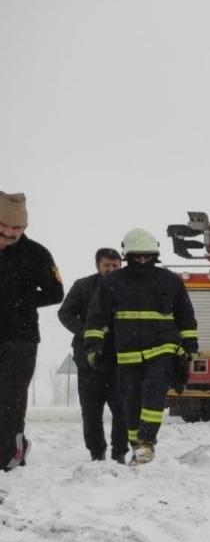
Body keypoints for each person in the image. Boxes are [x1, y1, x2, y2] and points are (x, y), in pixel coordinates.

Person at [84, 228, 197, 466]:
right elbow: (97, 316)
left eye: (147, 256)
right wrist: (93, 346)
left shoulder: (170, 280)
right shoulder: (113, 282)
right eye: (138, 256)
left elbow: (185, 316)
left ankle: (147, 441)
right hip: (128, 353)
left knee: (154, 392)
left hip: (163, 348)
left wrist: (189, 348)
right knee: (131, 401)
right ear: (128, 255)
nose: (143, 260)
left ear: (154, 255)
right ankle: (137, 446)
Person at [0, 191, 64, 472]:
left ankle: (10, 454)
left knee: (11, 399)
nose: (9, 233)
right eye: (4, 227)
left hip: (21, 338)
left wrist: (19, 300)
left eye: (16, 228)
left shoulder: (37, 254)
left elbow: (56, 292)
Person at [58, 248, 129, 462]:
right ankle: (96, 453)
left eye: (115, 265)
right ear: (97, 265)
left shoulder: (129, 287)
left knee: (123, 409)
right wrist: (86, 332)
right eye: (106, 265)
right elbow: (65, 313)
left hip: (120, 358)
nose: (111, 269)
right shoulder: (83, 286)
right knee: (91, 410)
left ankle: (120, 452)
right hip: (88, 358)